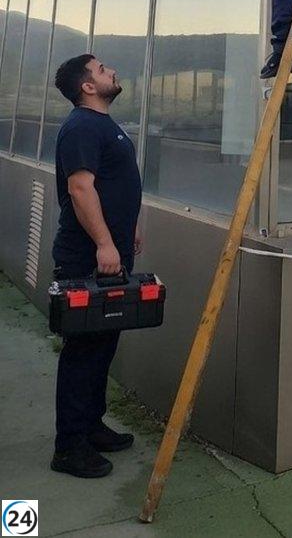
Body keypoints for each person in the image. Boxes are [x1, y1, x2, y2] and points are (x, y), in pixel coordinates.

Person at [50, 55, 142, 479]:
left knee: (102, 346)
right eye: (104, 69)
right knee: (83, 351)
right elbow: (80, 186)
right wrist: (105, 242)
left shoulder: (104, 125)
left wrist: (129, 230)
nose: (112, 72)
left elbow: (112, 183)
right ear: (88, 86)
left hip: (112, 255)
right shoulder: (83, 126)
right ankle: (69, 447)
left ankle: (91, 426)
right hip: (88, 258)